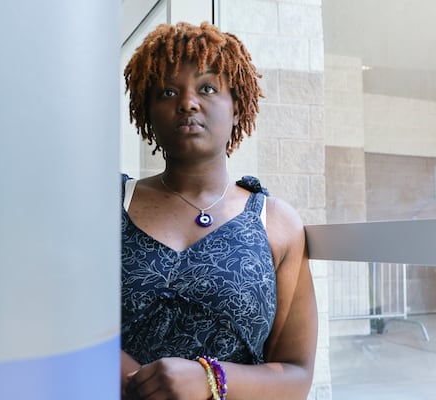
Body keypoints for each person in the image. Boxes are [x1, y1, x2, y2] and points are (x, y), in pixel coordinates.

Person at [121, 21, 317, 400]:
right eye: (166, 92)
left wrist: (210, 379)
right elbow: (62, 317)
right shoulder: (109, 204)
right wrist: (138, 383)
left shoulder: (276, 223)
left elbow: (297, 375)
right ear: (146, 112)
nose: (187, 103)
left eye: (208, 88)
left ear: (237, 106)